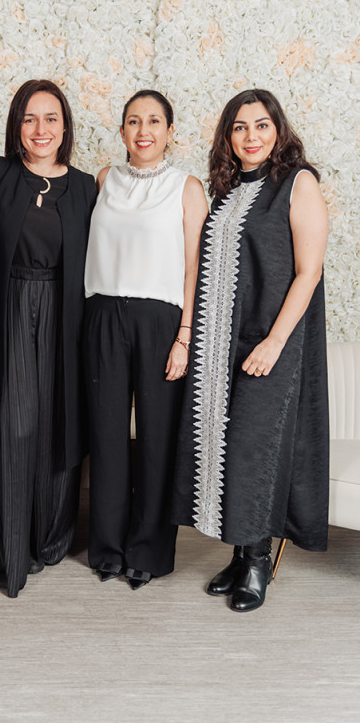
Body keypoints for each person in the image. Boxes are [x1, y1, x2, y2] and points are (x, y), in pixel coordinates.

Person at [172, 89, 329, 612]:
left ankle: (259, 561)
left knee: (253, 449)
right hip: (223, 343)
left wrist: (275, 341)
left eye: (261, 125)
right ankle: (241, 555)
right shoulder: (228, 189)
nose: (251, 136)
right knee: (224, 444)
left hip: (272, 340)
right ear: (228, 136)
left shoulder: (298, 183)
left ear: (278, 130)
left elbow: (308, 272)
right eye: (240, 127)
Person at [0, 79, 97, 598]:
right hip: (8, 310)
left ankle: (49, 538)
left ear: (65, 127)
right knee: (12, 425)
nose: (41, 129)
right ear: (16, 125)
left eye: (51, 118)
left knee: (59, 421)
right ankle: (8, 549)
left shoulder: (85, 187)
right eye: (29, 118)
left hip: (67, 314)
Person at [83, 90, 208, 589]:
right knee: (107, 435)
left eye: (154, 121)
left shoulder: (187, 188)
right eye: (134, 121)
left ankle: (149, 551)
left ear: (170, 131)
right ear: (122, 131)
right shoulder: (102, 180)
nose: (143, 131)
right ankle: (107, 547)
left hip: (161, 320)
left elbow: (196, 269)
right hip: (102, 314)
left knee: (157, 437)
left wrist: (184, 337)